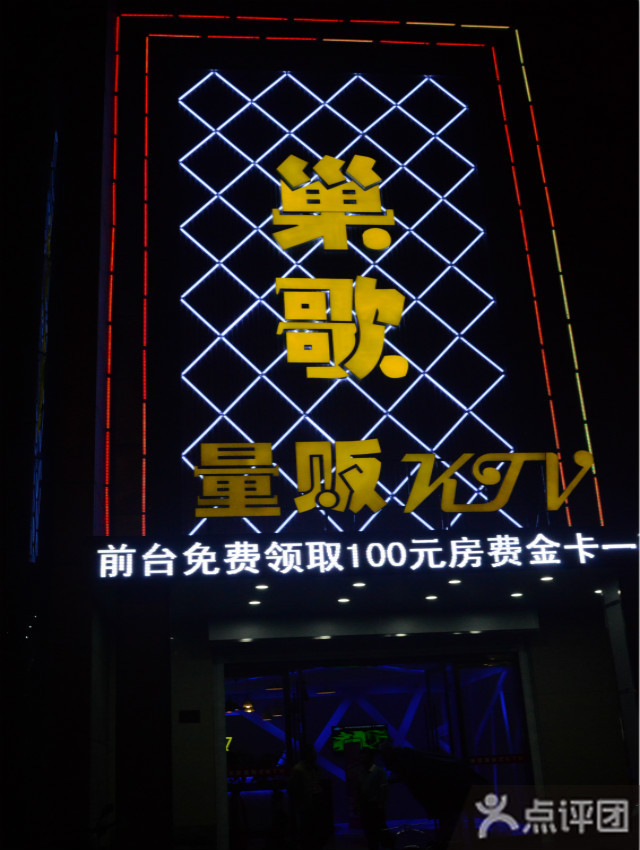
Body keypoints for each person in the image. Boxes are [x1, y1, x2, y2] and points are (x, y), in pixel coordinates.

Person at [288, 743, 330, 849]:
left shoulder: (312, 768)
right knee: (308, 832)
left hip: (314, 804)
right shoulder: (299, 770)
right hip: (307, 806)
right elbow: (294, 790)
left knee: (313, 832)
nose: (315, 755)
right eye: (313, 752)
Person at [357, 748, 389, 850]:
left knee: (382, 833)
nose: (361, 758)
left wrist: (381, 805)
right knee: (370, 834)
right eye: (361, 756)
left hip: (375, 807)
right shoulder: (361, 772)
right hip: (365, 807)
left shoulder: (379, 771)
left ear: (370, 757)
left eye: (364, 756)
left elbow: (384, 789)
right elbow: (360, 790)